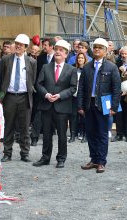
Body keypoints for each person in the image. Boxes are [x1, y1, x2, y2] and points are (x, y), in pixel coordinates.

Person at [78, 38, 121, 173]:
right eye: (95, 47)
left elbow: (116, 89)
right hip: (89, 104)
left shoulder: (111, 67)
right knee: (91, 133)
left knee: (102, 134)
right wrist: (80, 105)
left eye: (100, 47)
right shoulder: (87, 67)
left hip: (104, 104)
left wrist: (113, 107)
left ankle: (101, 161)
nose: (97, 49)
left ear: (105, 50)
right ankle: (94, 159)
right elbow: (81, 88)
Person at [33, 40, 77, 168]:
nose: (57, 52)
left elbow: (73, 88)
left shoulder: (71, 69)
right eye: (56, 49)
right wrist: (46, 94)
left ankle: (61, 158)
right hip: (47, 105)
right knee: (46, 134)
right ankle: (45, 157)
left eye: (61, 50)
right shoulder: (46, 67)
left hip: (62, 107)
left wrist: (60, 96)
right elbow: (39, 84)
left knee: (62, 135)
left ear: (66, 54)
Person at [0, 34, 37, 162]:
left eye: (21, 44)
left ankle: (24, 153)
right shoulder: (5, 59)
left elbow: (33, 80)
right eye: (17, 43)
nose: (18, 46)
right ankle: (7, 153)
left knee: (25, 127)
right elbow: (0, 79)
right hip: (9, 97)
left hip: (24, 97)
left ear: (26, 47)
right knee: (8, 126)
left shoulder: (32, 62)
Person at [30, 38, 56, 146]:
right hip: (41, 91)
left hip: (54, 92)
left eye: (45, 45)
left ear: (51, 46)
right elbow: (36, 74)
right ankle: (34, 137)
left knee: (51, 116)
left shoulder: (58, 58)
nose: (44, 47)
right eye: (43, 45)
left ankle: (48, 136)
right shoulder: (40, 58)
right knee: (38, 114)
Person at [68, 52, 89, 143]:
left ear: (85, 59)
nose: (80, 59)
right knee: (73, 116)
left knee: (84, 116)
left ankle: (85, 135)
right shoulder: (73, 68)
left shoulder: (88, 69)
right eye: (79, 58)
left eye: (82, 58)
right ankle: (73, 134)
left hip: (84, 96)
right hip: (73, 95)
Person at [111, 46, 127, 142]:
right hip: (118, 93)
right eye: (122, 54)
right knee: (118, 114)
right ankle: (119, 134)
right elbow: (114, 77)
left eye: (125, 54)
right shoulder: (117, 63)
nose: (123, 55)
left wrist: (125, 72)